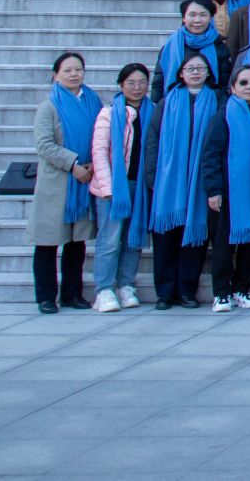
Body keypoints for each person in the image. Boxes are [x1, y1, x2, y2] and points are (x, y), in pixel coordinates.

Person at [30, 52, 102, 314]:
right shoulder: (48, 107)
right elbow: (44, 146)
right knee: (47, 242)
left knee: (76, 242)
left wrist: (93, 163)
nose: (74, 74)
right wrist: (73, 165)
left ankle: (72, 294)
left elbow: (101, 136)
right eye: (67, 70)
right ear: (56, 75)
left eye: (78, 69)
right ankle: (46, 296)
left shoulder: (93, 102)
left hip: (84, 180)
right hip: (58, 183)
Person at [149, 51, 221, 308]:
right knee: (166, 236)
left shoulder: (217, 100)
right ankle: (165, 292)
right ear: (181, 73)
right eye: (190, 68)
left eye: (201, 68)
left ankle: (187, 290)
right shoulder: (167, 101)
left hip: (200, 178)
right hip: (169, 180)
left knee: (195, 236)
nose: (195, 72)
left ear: (209, 73)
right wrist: (152, 176)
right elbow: (153, 140)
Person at [202, 64, 250, 313]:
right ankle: (221, 293)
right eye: (243, 83)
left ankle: (242, 289)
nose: (249, 87)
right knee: (224, 245)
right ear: (232, 87)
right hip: (229, 191)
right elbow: (211, 155)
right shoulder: (223, 116)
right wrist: (214, 190)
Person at [89, 62, 151, 313]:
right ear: (121, 85)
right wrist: (108, 188)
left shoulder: (153, 112)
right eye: (131, 83)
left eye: (142, 82)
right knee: (110, 240)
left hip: (140, 187)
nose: (137, 88)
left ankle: (126, 284)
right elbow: (99, 152)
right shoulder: (109, 113)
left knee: (133, 239)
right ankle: (104, 289)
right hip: (114, 188)